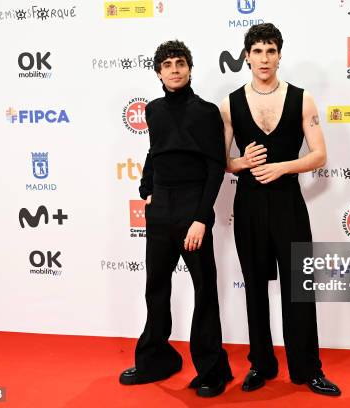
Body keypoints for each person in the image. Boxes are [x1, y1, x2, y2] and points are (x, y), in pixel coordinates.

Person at [219, 23, 341, 397]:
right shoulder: (230, 103)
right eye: (257, 51)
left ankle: (308, 369)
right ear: (246, 56)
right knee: (254, 287)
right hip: (250, 204)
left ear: (279, 55)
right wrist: (240, 164)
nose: (264, 59)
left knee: (298, 289)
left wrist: (284, 166)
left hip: (289, 203)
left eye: (270, 51)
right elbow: (221, 160)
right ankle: (261, 364)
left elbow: (319, 154)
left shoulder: (302, 99)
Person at [119, 40, 233, 398]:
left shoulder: (205, 111)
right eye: (167, 64)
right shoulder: (153, 110)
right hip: (161, 209)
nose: (174, 69)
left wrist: (201, 218)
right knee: (156, 287)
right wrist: (145, 189)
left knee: (204, 290)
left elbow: (216, 165)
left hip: (192, 208)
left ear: (189, 68)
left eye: (180, 62)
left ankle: (213, 369)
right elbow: (154, 152)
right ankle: (156, 360)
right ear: (158, 72)